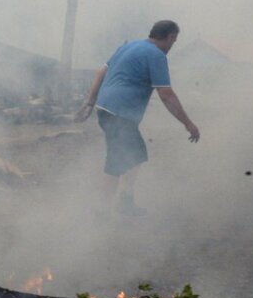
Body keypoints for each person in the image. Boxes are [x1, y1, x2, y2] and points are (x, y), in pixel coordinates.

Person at [75, 20, 200, 216]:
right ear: (169, 37)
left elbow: (101, 72)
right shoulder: (156, 55)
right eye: (173, 42)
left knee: (135, 154)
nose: (172, 46)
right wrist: (188, 123)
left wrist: (90, 103)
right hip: (119, 115)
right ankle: (100, 212)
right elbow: (166, 94)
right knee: (116, 163)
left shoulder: (129, 46)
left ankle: (125, 200)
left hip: (106, 109)